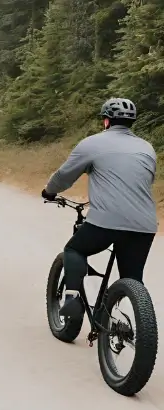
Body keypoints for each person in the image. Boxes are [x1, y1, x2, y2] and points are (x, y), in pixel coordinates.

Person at [42, 98, 157, 319]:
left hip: (106, 220)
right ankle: (126, 321)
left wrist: (49, 192)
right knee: (132, 279)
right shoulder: (147, 148)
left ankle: (73, 299)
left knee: (74, 250)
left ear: (106, 121)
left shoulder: (92, 143)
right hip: (144, 224)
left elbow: (64, 176)